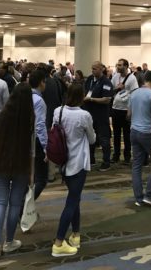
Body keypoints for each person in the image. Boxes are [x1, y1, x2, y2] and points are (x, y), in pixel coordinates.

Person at [0, 83, 34, 259]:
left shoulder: (4, 115)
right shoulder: (30, 118)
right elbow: (32, 148)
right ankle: (9, 241)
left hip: (1, 160)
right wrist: (32, 171)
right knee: (15, 204)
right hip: (21, 162)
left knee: (1, 202)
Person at [51, 83, 96, 257]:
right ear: (82, 96)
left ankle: (76, 235)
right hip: (78, 162)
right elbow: (92, 139)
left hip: (63, 161)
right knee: (72, 202)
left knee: (75, 198)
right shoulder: (84, 115)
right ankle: (58, 243)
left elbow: (54, 131)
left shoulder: (58, 111)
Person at [129, 70, 151, 206]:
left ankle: (138, 198)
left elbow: (128, 114)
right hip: (147, 132)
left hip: (134, 131)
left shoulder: (134, 93)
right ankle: (149, 195)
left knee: (136, 165)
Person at [83, 61, 114, 171]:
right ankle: (91, 160)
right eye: (92, 68)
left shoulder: (106, 82)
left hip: (101, 115)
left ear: (101, 69)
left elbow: (106, 100)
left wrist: (91, 99)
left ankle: (106, 162)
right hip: (89, 114)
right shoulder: (90, 79)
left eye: (95, 69)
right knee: (90, 137)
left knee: (104, 139)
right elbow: (86, 91)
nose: (92, 71)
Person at [111, 58, 138, 164]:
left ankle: (127, 157)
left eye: (120, 65)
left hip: (126, 110)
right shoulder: (115, 77)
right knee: (116, 135)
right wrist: (117, 88)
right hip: (115, 109)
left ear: (126, 66)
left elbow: (134, 95)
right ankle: (116, 155)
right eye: (117, 65)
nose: (118, 67)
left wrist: (130, 111)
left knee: (127, 135)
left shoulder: (132, 78)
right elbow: (111, 91)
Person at [28, 69, 48, 199]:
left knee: (29, 177)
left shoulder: (24, 97)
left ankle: (22, 206)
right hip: (35, 142)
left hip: (23, 139)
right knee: (41, 179)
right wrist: (45, 146)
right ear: (41, 82)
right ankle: (24, 206)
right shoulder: (39, 101)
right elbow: (40, 125)